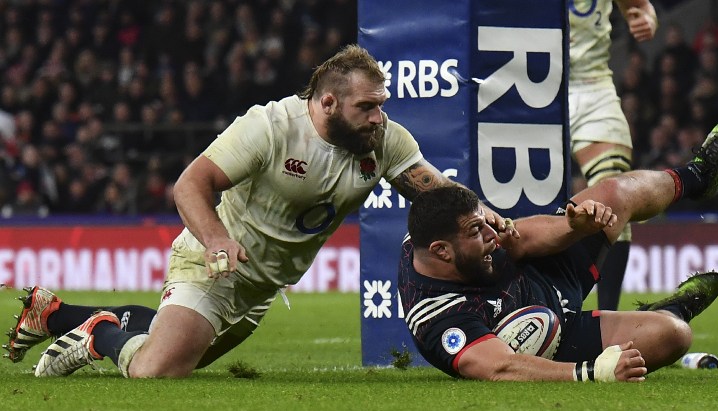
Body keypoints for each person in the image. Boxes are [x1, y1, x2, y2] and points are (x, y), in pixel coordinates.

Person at [3, 45, 507, 377]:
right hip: (214, 264)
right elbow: (190, 185)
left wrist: (484, 215)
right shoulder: (270, 127)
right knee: (158, 370)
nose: (378, 117)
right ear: (328, 102)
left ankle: (54, 314)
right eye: (367, 108)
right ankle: (99, 334)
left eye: (381, 105)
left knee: (180, 347)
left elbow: (438, 195)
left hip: (262, 287)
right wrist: (217, 239)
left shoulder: (386, 140)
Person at [398, 113, 718, 381]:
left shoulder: (455, 227)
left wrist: (572, 226)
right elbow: (500, 366)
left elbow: (518, 239)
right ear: (442, 252)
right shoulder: (438, 318)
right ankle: (672, 310)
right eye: (478, 232)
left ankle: (698, 177)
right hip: (554, 337)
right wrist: (588, 371)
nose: (490, 235)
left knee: (614, 196)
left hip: (540, 269)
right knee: (673, 335)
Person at [568, 0, 658, 310]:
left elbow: (641, 6)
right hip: (524, 87)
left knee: (614, 199)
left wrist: (646, 19)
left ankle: (605, 318)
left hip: (590, 88)